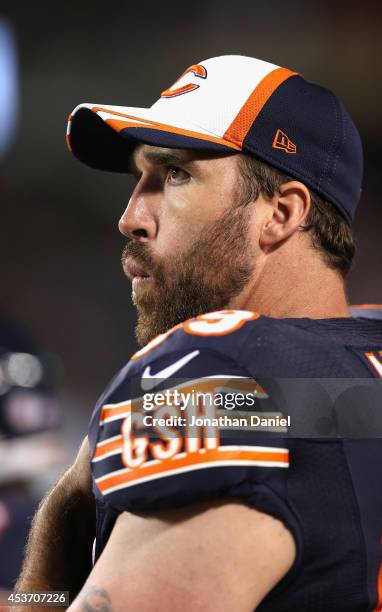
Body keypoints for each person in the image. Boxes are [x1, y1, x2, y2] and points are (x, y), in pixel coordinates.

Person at [16, 55, 382, 611]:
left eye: (176, 175)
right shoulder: (359, 358)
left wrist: (63, 513)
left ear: (281, 213)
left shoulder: (223, 374)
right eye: (140, 178)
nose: (131, 216)